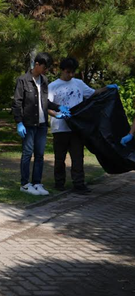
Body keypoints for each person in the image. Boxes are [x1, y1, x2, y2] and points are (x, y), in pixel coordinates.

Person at [47, 57, 117, 194]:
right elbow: (46, 106)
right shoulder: (52, 86)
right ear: (62, 70)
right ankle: (59, 183)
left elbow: (93, 94)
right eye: (68, 72)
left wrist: (107, 89)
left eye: (73, 72)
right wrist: (56, 114)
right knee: (59, 157)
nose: (71, 75)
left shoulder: (78, 83)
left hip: (77, 128)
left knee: (78, 156)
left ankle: (79, 184)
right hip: (60, 128)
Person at [12, 52, 70, 196]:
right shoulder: (23, 80)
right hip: (29, 124)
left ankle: (37, 183)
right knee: (27, 154)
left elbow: (45, 102)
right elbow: (17, 103)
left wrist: (58, 108)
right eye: (44, 67)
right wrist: (19, 122)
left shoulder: (44, 80)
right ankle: (25, 184)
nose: (46, 71)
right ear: (36, 64)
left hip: (42, 124)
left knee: (40, 155)